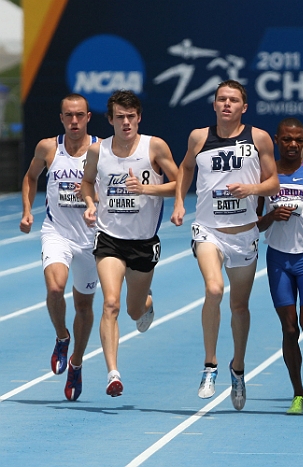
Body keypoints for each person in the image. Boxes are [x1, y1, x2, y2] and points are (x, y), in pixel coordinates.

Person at [171, 80, 279, 410]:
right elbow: (185, 168)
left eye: (234, 100)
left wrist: (253, 190)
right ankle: (210, 365)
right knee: (214, 289)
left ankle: (239, 367)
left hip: (244, 234)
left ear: (244, 107)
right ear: (215, 105)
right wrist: (178, 202)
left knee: (239, 307)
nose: (227, 104)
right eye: (222, 99)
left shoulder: (258, 138)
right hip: (209, 230)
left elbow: (273, 183)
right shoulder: (199, 137)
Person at [81, 90, 178, 397]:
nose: (126, 123)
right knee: (111, 303)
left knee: (134, 310)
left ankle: (146, 302)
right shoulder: (99, 151)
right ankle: (113, 373)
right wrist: (90, 203)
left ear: (139, 117)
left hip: (143, 243)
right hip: (109, 239)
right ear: (110, 120)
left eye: (131, 117)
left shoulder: (154, 146)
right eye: (120, 117)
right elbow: (87, 181)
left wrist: (147, 189)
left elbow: (181, 183)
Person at [20, 93, 99, 401]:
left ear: (88, 117)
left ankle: (76, 363)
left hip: (91, 239)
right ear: (62, 118)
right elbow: (29, 177)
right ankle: (62, 337)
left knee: (83, 306)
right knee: (55, 289)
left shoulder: (101, 151)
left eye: (80, 115)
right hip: (57, 232)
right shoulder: (48, 147)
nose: (74, 121)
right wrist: (28, 209)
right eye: (69, 115)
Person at [257, 118, 303, 415]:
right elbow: (255, 224)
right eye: (287, 139)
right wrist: (271, 218)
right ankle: (298, 391)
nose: (293, 145)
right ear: (277, 139)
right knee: (289, 329)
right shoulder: (265, 175)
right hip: (278, 260)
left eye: (298, 139)